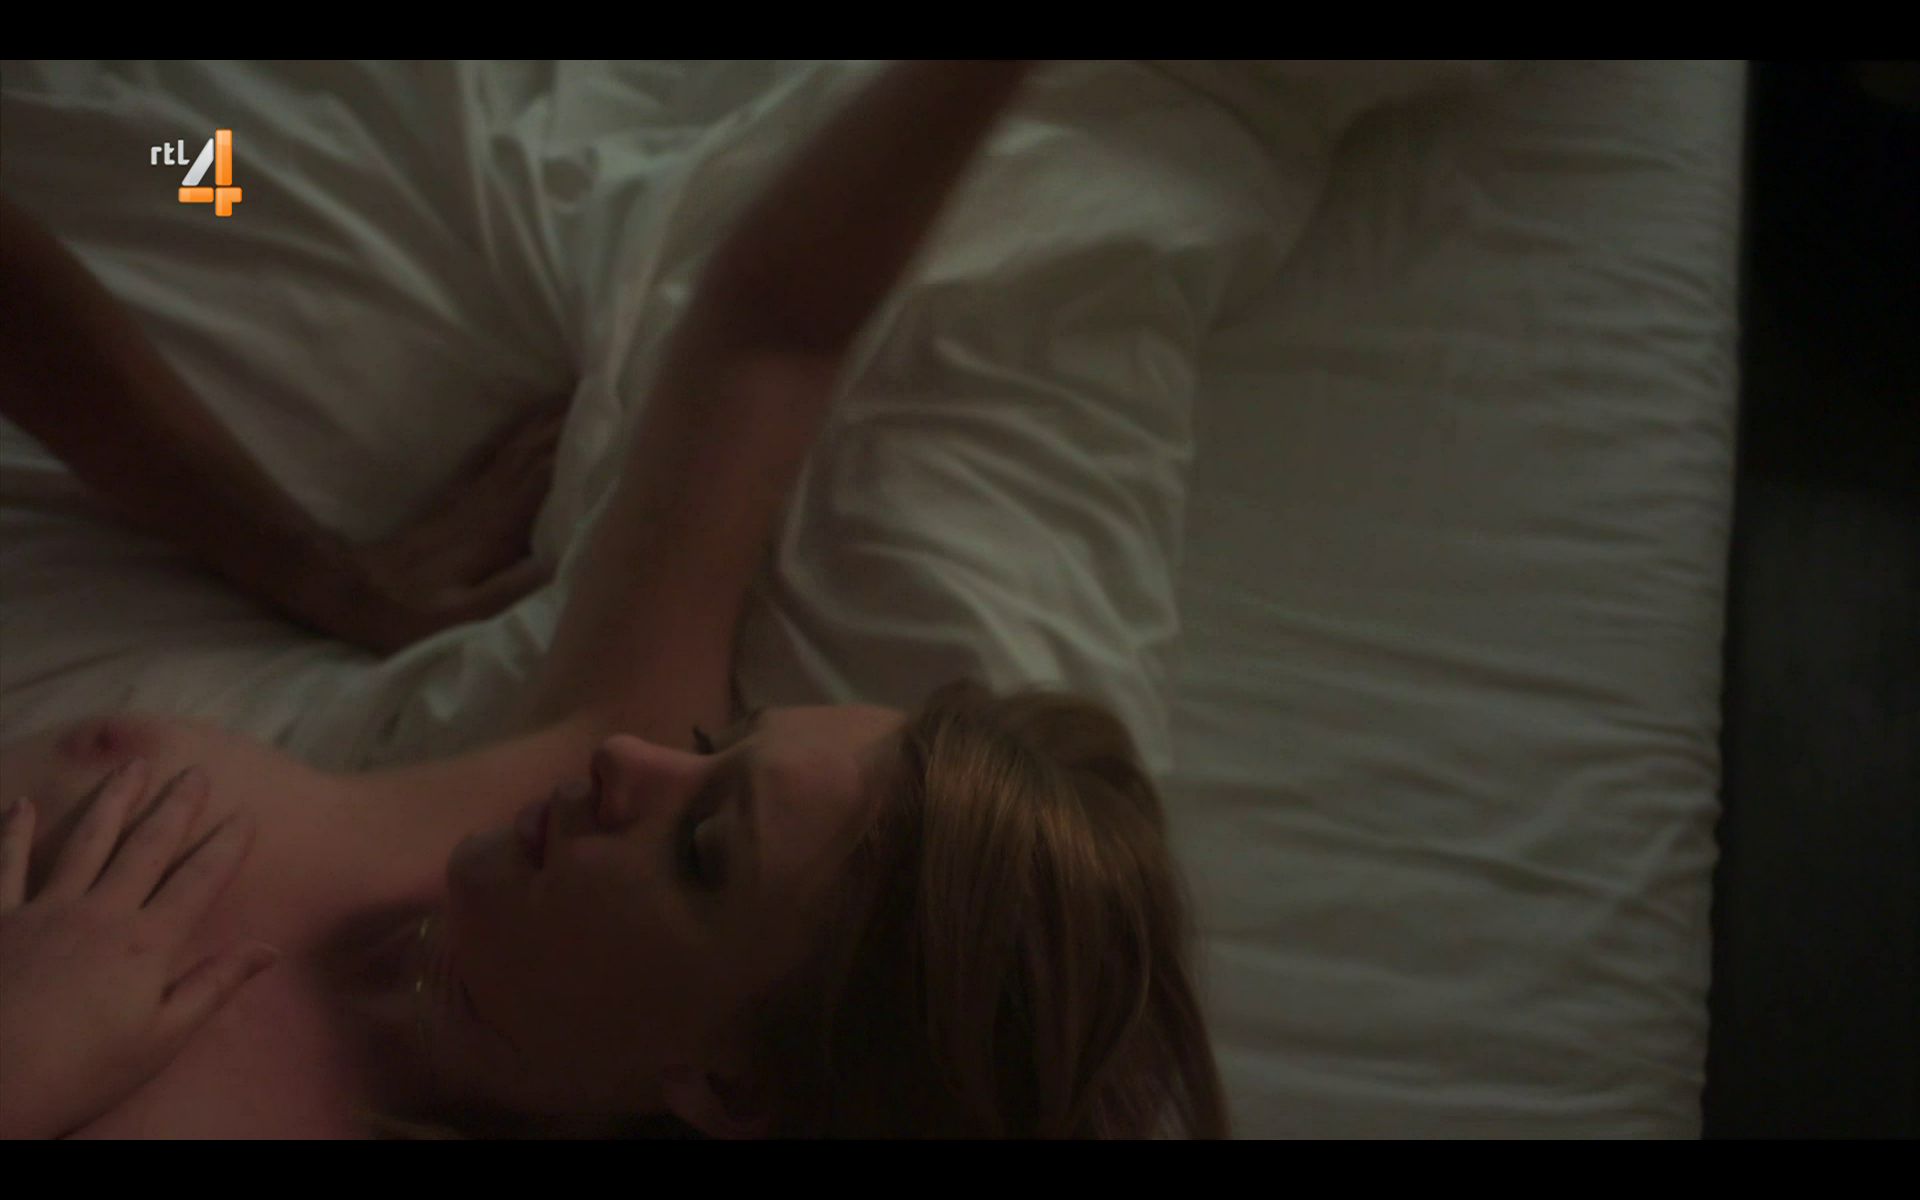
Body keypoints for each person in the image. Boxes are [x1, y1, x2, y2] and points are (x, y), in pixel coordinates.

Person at [0, 60, 1226, 1138]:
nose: (633, 761)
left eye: (703, 853)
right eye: (718, 744)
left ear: (728, 1091)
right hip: (181, 187)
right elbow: (773, 329)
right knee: (191, 162)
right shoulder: (555, 806)